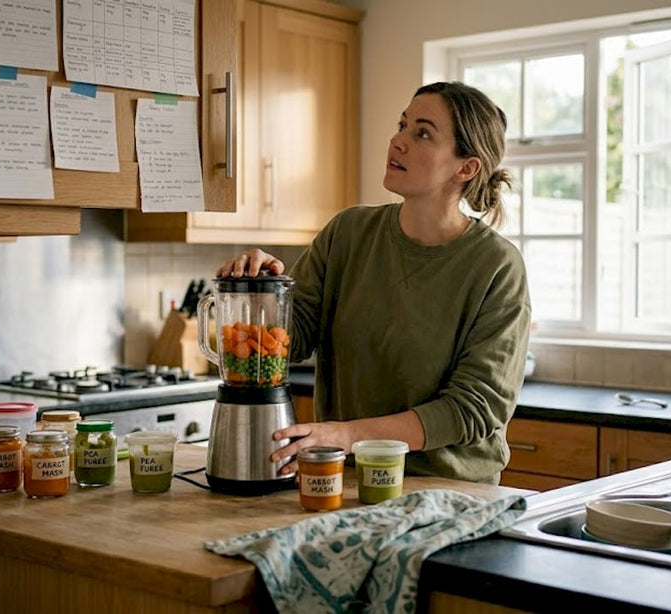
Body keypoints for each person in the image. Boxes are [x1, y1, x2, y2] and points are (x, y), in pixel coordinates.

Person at [216, 81, 531, 483]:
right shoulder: (348, 233)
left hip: (448, 491)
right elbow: (292, 339)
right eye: (402, 125)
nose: (398, 141)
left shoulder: (497, 267)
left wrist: (347, 436)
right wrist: (263, 288)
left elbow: (473, 408)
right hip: (342, 481)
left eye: (422, 133)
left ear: (465, 168)